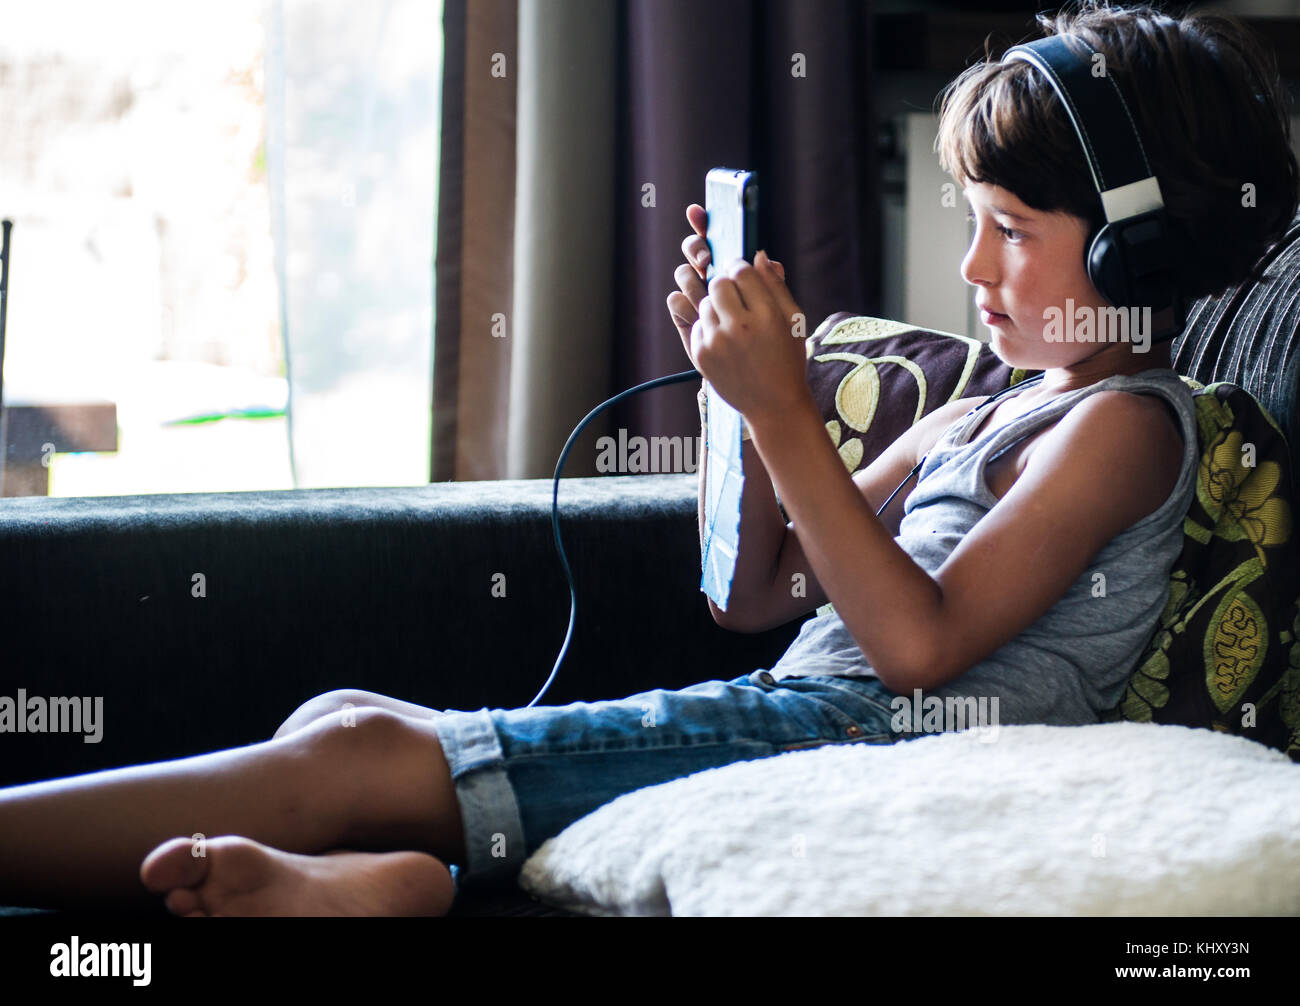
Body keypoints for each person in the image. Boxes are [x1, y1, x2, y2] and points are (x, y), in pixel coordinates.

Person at [1, 0, 1296, 917]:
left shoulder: (1128, 428)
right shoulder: (983, 413)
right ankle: (407, 888)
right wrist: (739, 404)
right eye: (971, 222)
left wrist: (795, 411)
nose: (970, 268)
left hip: (856, 735)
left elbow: (918, 649)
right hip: (811, 707)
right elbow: (758, 593)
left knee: (343, 767)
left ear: (1134, 249)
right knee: (342, 720)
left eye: (1010, 229)